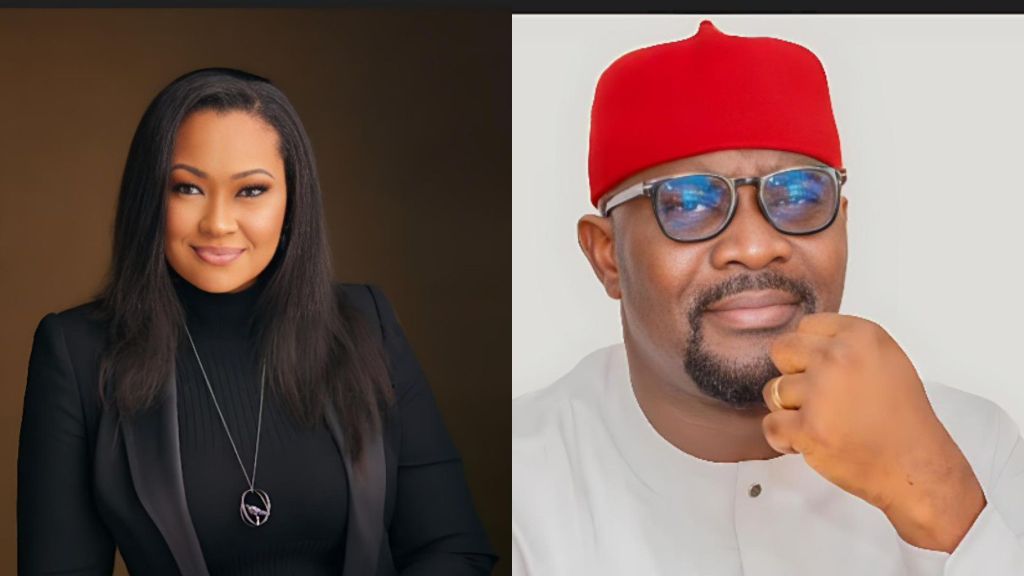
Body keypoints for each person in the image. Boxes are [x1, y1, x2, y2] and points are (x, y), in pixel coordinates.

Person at [512, 21, 1024, 575]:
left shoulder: (972, 443)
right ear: (607, 254)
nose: (756, 247)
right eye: (687, 203)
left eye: (800, 194)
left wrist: (943, 506)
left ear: (842, 225)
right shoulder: (521, 478)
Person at [18, 67, 497, 575]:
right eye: (187, 188)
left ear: (292, 202)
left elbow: (453, 550)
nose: (219, 223)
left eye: (250, 191)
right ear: (148, 198)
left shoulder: (366, 325)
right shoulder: (76, 352)